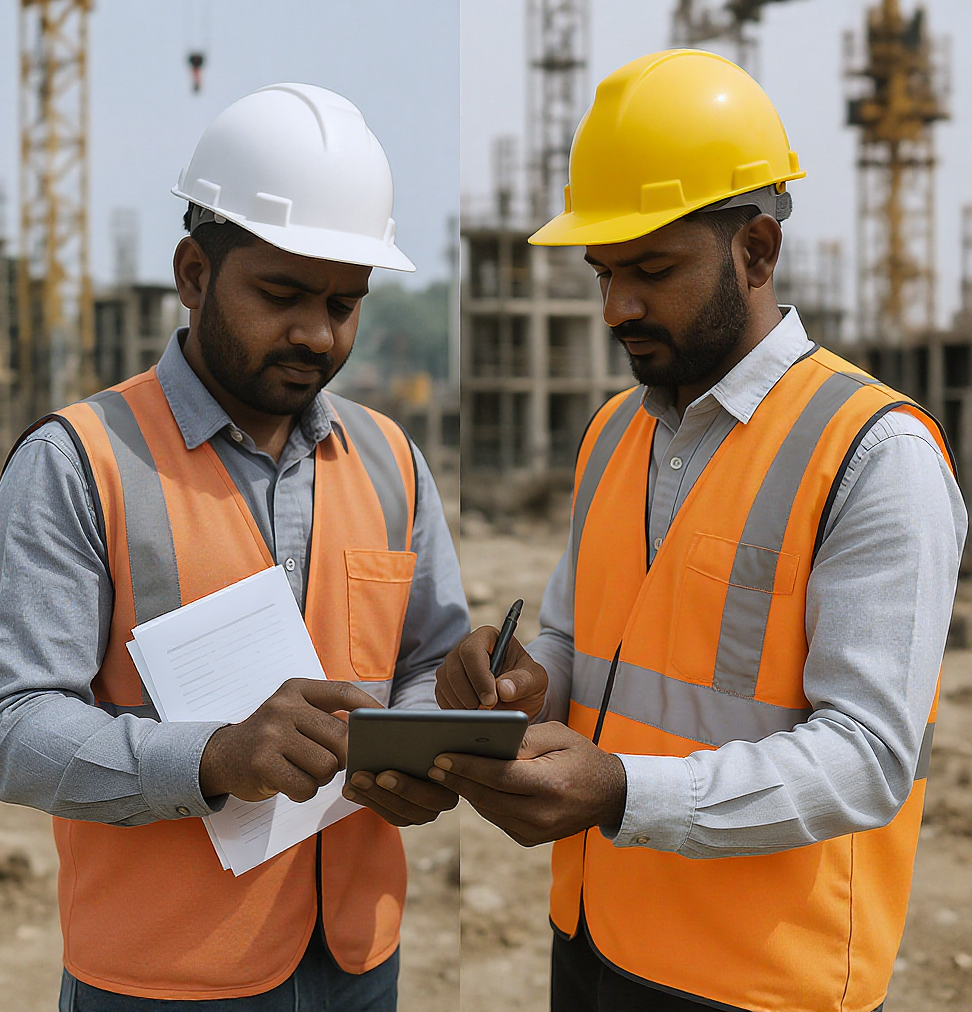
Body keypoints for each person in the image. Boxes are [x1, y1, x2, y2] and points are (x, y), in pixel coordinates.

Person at [358, 51, 967, 1012]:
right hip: (596, 942)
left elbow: (867, 758)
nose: (616, 309)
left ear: (756, 252)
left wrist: (624, 794)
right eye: (603, 273)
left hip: (761, 984)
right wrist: (525, 677)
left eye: (650, 271)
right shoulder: (614, 432)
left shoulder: (874, 453)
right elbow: (577, 639)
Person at [0, 83, 468, 1011]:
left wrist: (434, 731)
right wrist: (211, 759)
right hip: (163, 977)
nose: (318, 333)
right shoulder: (80, 463)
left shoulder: (391, 460)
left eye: (345, 302)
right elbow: (13, 730)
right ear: (194, 274)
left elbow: (430, 658)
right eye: (281, 295)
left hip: (356, 957)